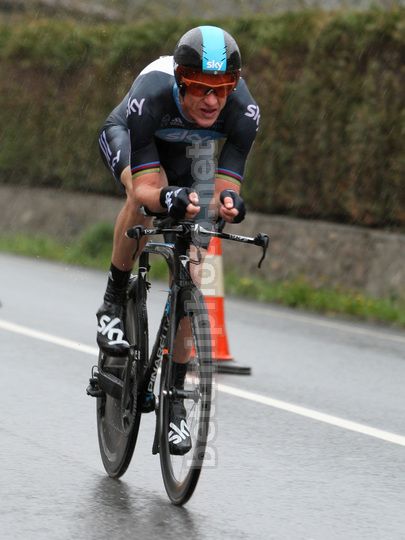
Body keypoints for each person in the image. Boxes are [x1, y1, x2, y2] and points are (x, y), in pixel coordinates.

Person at [96, 25, 260, 453]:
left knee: (197, 260)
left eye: (222, 89)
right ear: (181, 81)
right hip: (135, 140)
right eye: (201, 88)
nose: (212, 101)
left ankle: (174, 401)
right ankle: (113, 300)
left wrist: (229, 203)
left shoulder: (243, 111)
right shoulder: (150, 95)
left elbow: (225, 186)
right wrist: (166, 197)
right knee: (140, 202)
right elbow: (149, 188)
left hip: (190, 156)